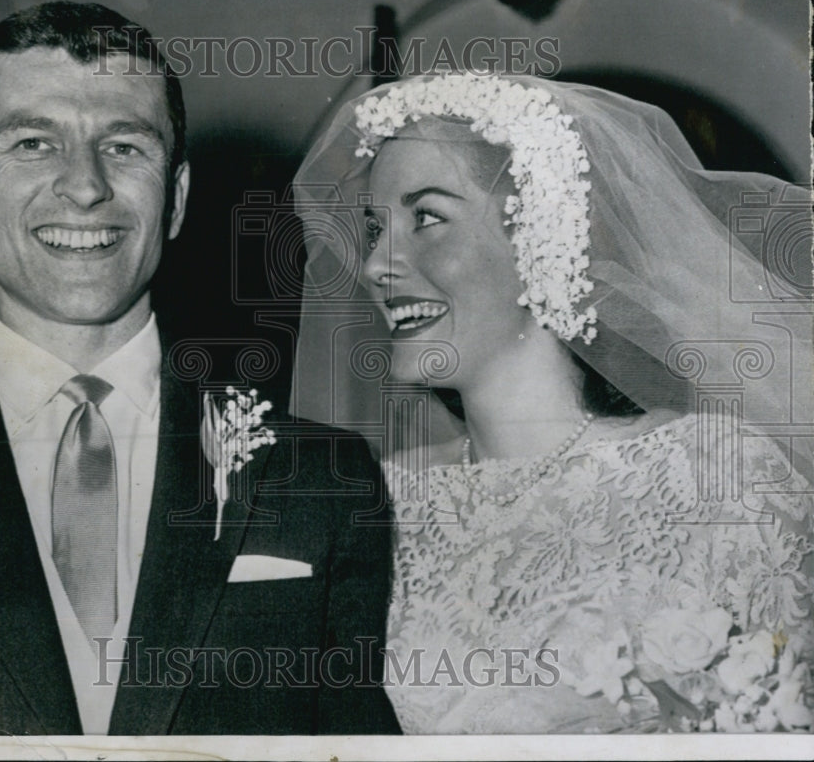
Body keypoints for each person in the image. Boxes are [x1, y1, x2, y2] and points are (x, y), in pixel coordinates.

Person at [0, 1, 400, 736]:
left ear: (179, 198)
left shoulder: (320, 477)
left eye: (125, 146)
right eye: (33, 142)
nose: (87, 185)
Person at [291, 71, 814, 733]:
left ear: (541, 236)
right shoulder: (376, 501)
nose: (375, 265)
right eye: (375, 226)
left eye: (427, 217)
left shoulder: (716, 479)